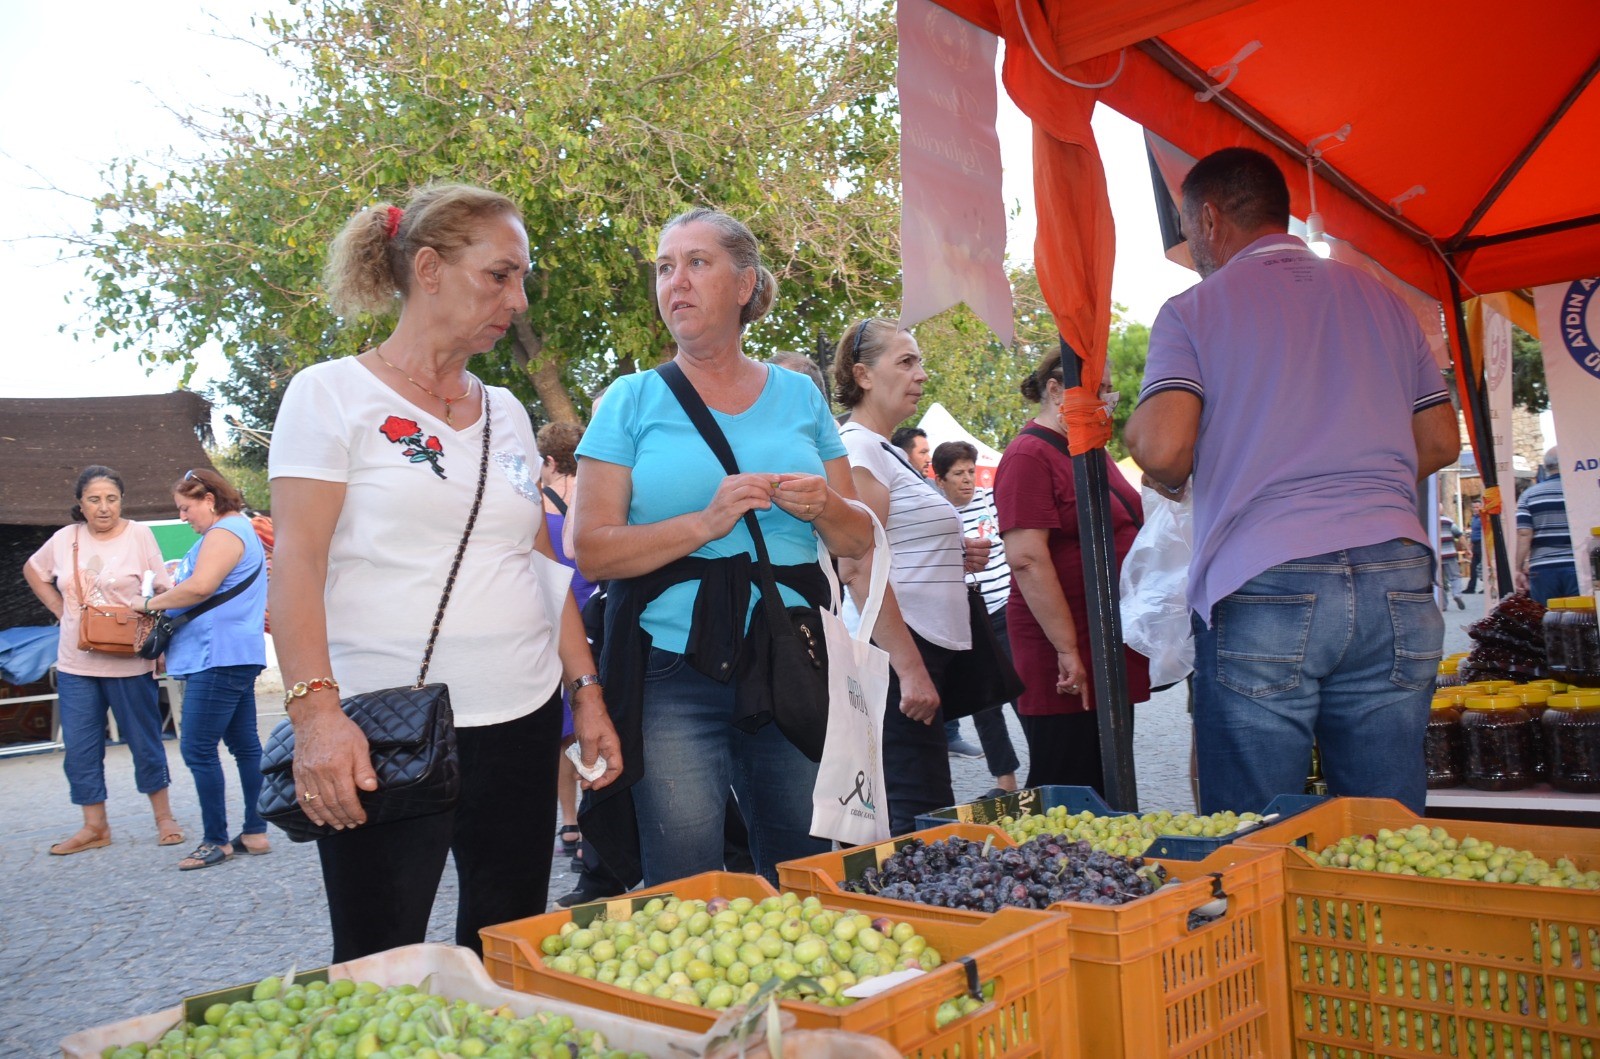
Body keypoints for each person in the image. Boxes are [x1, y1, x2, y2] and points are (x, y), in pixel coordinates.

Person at [269, 183, 623, 961]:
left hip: (521, 716)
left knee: (508, 944)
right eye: (500, 275)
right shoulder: (329, 395)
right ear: (428, 268)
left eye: (522, 278)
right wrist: (317, 718)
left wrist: (584, 690)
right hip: (387, 727)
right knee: (379, 954)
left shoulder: (507, 410)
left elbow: (536, 561)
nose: (518, 298)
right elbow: (297, 563)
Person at [1125, 146, 1459, 814]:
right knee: (1385, 826)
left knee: (1257, 835)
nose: (1194, 249)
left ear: (1211, 220)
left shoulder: (1194, 311)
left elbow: (1161, 449)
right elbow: (1440, 440)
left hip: (1264, 578)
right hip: (1396, 570)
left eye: (1189, 234)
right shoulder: (1385, 302)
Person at [574, 207, 871, 885]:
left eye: (697, 263)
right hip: (672, 671)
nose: (675, 281)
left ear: (745, 285)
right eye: (665, 266)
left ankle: (807, 995)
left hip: (791, 655)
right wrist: (704, 524)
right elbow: (589, 549)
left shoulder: (800, 395)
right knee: (687, 884)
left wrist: (826, 504)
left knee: (809, 875)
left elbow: (857, 541)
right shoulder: (630, 399)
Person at [834, 318, 980, 833]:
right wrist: (909, 667)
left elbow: (889, 543)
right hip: (899, 652)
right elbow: (855, 559)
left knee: (925, 803)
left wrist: (951, 555)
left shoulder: (885, 449)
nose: (921, 373)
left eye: (919, 361)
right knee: (918, 811)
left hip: (914, 648)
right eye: (906, 361)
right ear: (863, 375)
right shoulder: (859, 448)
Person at [994, 355, 1151, 794]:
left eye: (1108, 392)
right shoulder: (1029, 453)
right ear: (1056, 390)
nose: (1105, 402)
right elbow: (1026, 558)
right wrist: (1067, 648)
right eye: (1096, 391)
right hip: (1062, 646)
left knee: (1106, 777)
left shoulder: (1088, 448)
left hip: (1099, 640)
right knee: (1068, 781)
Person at [23, 465, 180, 855]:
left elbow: (164, 586)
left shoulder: (139, 535)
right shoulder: (65, 539)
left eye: (111, 498)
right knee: (80, 746)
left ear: (121, 501)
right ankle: (95, 826)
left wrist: (151, 621)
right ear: (81, 504)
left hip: (128, 662)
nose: (104, 507)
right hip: (77, 664)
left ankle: (164, 818)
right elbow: (33, 569)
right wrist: (62, 611)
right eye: (94, 499)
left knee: (145, 741)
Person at [138, 468, 269, 870]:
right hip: (233, 652)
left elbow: (200, 587)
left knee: (197, 747)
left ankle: (216, 840)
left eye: (185, 507)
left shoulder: (224, 533)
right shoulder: (237, 530)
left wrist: (147, 605)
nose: (183, 517)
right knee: (245, 746)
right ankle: (254, 831)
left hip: (217, 655)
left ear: (209, 499)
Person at [931, 440, 1020, 794]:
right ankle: (1006, 780)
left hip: (1005, 607)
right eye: (958, 474)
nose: (967, 480)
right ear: (940, 479)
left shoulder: (990, 500)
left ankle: (1044, 766)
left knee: (1022, 694)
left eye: (970, 471)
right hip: (967, 618)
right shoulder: (936, 513)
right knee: (984, 703)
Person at [536, 421, 597, 859]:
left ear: (551, 461)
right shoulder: (597, 498)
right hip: (597, 622)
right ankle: (596, 821)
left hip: (556, 625)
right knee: (595, 722)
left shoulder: (538, 506)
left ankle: (570, 823)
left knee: (563, 733)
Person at [1517, 447, 1580, 604]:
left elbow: (1524, 534)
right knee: (1581, 619)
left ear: (1546, 467)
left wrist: (1518, 567)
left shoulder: (1529, 495)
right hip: (1578, 565)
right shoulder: (1579, 490)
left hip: (1543, 568)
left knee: (1547, 619)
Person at [1438, 506, 1467, 610]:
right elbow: (1460, 535)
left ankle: (1443, 604)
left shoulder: (1430, 522)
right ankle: (1457, 595)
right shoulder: (1448, 521)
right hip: (1449, 554)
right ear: (1442, 510)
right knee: (1455, 576)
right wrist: (1468, 549)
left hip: (1436, 556)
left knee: (1438, 580)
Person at [1465, 498, 1483, 594]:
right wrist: (1470, 546)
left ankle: (1486, 587)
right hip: (1475, 544)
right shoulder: (1474, 519)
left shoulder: (1483, 518)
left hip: (1481, 544)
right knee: (1473, 567)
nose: (1475, 509)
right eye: (1474, 507)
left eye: (1477, 507)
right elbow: (1473, 533)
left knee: (1483, 567)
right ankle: (1471, 587)